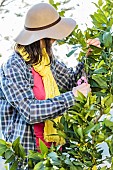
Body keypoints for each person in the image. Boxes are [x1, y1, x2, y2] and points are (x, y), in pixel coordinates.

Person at [0, 2, 100, 169]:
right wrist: (72, 96)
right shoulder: (13, 67)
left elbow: (70, 81)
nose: (54, 40)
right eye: (52, 36)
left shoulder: (45, 60)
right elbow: (29, 111)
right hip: (30, 157)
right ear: (41, 38)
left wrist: (89, 57)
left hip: (55, 152)